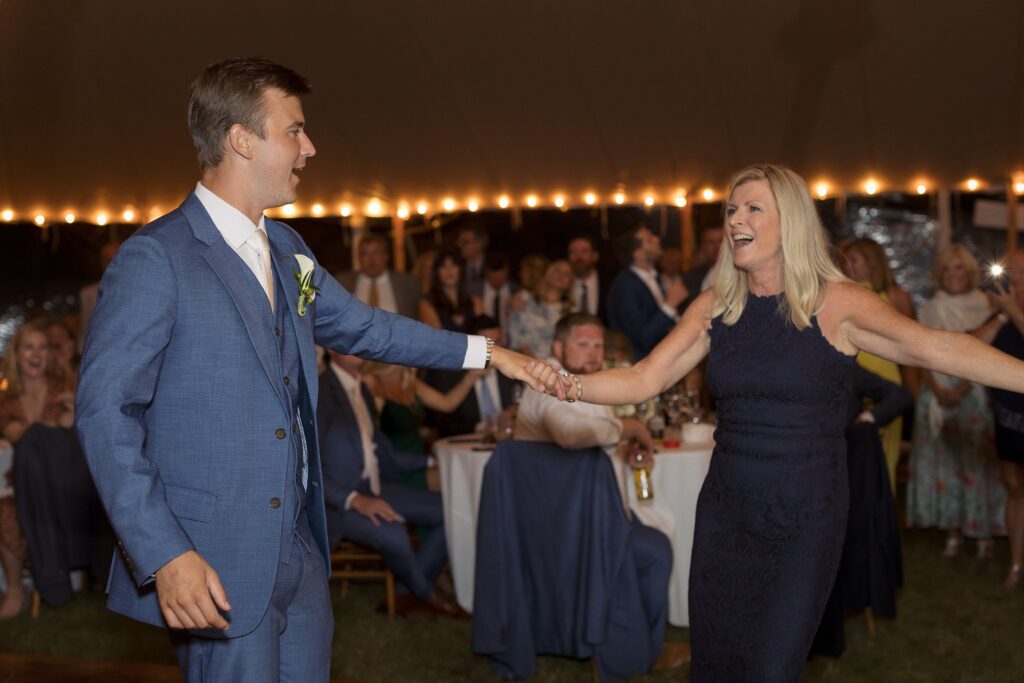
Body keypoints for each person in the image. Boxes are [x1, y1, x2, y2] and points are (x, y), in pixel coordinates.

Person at [74, 57, 538, 682]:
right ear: (241, 139)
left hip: (297, 548)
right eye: (294, 129)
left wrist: (488, 352)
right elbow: (105, 412)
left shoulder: (289, 248)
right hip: (215, 560)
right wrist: (166, 554)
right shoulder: (157, 258)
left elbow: (372, 329)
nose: (310, 147)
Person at [525, 163, 1024, 680]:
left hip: (803, 516)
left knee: (769, 670)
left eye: (753, 208)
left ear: (792, 222)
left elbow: (938, 347)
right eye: (732, 209)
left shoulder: (836, 304)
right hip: (726, 512)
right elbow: (642, 378)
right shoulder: (717, 307)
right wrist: (566, 384)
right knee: (717, 667)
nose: (737, 218)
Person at [514, 312, 688, 670]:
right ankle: (634, 654)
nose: (593, 353)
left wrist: (623, 448)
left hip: (592, 515)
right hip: (558, 526)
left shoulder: (587, 385)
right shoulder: (546, 378)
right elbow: (567, 433)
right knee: (650, 551)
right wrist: (630, 427)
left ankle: (644, 647)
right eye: (583, 344)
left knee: (655, 548)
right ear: (558, 346)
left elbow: (592, 438)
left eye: (598, 345)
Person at [316, 352, 460, 617]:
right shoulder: (320, 392)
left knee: (450, 512)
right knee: (394, 535)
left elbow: (381, 451)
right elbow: (309, 468)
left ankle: (408, 592)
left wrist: (429, 461)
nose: (356, 347)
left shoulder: (362, 388)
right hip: (338, 501)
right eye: (347, 342)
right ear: (332, 349)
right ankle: (429, 596)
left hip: (376, 485)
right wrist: (355, 499)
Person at [906, 245, 1005, 559]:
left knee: (977, 461)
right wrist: (936, 388)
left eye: (958, 268)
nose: (953, 275)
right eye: (946, 269)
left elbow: (987, 354)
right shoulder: (931, 308)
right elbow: (920, 353)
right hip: (936, 391)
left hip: (973, 390)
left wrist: (963, 387)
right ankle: (951, 530)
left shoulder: (986, 305)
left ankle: (982, 531)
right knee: (943, 463)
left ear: (970, 272)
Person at [0, 319, 75, 618]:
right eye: (29, 347)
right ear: (17, 353)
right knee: (5, 509)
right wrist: (56, 426)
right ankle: (17, 588)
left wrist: (73, 417)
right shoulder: (6, 400)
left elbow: (70, 436)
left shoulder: (64, 389)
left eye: (43, 347)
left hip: (61, 484)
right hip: (20, 486)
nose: (36, 354)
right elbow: (21, 436)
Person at [839, 238, 915, 493]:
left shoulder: (895, 297)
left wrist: (911, 391)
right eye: (845, 260)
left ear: (872, 263)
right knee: (857, 446)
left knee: (884, 451)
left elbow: (911, 346)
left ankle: (884, 508)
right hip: (858, 372)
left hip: (886, 373)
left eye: (855, 260)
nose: (849, 266)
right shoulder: (842, 295)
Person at [973, 248, 1024, 587]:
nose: (1014, 279)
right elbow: (972, 345)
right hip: (1008, 418)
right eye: (1013, 272)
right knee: (1013, 487)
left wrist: (1013, 312)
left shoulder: (1012, 312)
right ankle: (1017, 565)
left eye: (1020, 272)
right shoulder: (1003, 313)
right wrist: (1002, 314)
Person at [424, 316, 519, 438]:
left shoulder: (509, 373)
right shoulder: (451, 375)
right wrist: (480, 427)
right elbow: (442, 426)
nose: (494, 350)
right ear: (471, 343)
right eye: (488, 344)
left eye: (497, 342)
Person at [606, 224, 688, 360]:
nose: (657, 239)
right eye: (650, 240)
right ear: (637, 253)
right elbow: (642, 339)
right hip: (639, 366)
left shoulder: (652, 278)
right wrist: (670, 305)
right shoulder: (626, 286)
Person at [336, 232, 421, 319]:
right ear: (359, 258)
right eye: (364, 254)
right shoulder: (343, 284)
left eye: (376, 252)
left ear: (386, 256)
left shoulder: (406, 283)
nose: (371, 259)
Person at [506, 259, 574, 358]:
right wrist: (535, 364)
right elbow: (515, 338)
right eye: (557, 271)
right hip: (523, 363)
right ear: (548, 274)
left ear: (570, 282)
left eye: (567, 274)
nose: (561, 276)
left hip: (558, 368)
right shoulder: (524, 301)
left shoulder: (571, 312)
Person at [418, 247, 482, 333]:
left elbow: (485, 335)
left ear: (460, 269)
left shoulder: (474, 301)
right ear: (437, 272)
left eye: (453, 265)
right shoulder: (427, 304)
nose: (449, 270)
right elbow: (436, 339)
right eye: (443, 266)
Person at [567, 234, 609, 321]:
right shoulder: (563, 284)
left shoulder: (609, 283)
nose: (578, 257)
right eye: (573, 252)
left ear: (595, 256)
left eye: (584, 251)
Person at [455, 225, 487, 290]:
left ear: (479, 244)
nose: (460, 245)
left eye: (465, 242)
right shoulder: (457, 266)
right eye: (459, 242)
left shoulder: (493, 264)